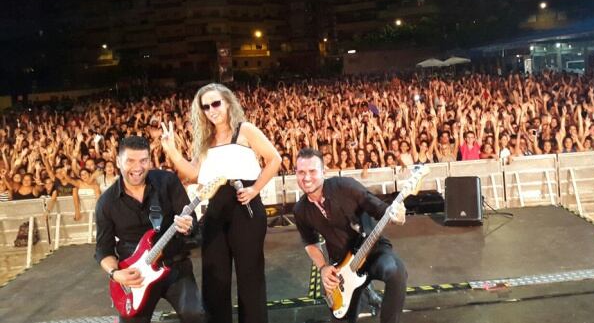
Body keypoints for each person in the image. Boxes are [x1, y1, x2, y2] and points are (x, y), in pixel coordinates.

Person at [160, 83, 281, 323]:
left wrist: (255, 189)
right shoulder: (206, 140)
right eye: (205, 107)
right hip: (215, 210)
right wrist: (172, 151)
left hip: (244, 208)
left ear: (227, 103)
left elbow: (274, 159)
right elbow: (193, 174)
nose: (211, 110)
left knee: (250, 277)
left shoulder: (244, 130)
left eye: (216, 103)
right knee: (215, 278)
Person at [94, 136, 204, 323]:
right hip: (135, 277)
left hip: (175, 266)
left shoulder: (167, 182)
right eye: (130, 161)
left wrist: (187, 226)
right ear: (118, 161)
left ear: (150, 160)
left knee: (196, 315)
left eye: (143, 161)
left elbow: (190, 222)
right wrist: (115, 274)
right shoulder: (106, 203)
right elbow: (103, 249)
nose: (138, 168)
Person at [293, 147, 408, 323]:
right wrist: (323, 268)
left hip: (373, 252)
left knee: (396, 271)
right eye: (301, 172)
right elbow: (310, 243)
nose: (306, 177)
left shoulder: (345, 186)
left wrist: (396, 214)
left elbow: (377, 207)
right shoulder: (300, 210)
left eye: (312, 171)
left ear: (323, 172)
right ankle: (365, 293)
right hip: (342, 268)